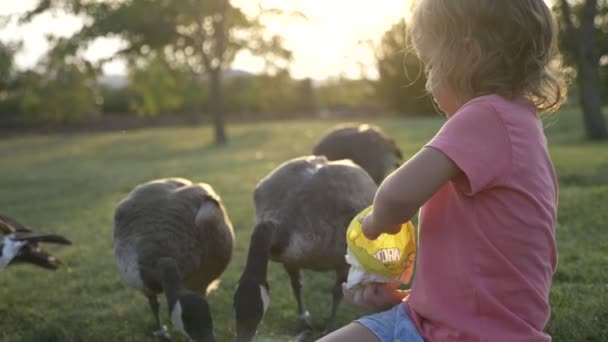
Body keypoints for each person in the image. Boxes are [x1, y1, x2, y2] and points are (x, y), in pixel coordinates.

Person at [318, 0, 568, 341]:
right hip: (429, 319)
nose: (427, 81)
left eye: (431, 64)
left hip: (471, 333)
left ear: (468, 54)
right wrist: (412, 296)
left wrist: (375, 224)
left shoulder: (486, 116)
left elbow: (394, 196)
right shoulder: (519, 122)